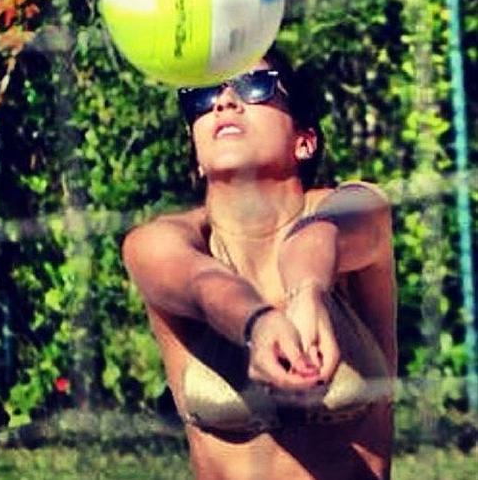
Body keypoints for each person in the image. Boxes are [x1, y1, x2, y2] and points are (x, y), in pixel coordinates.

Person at [122, 46, 397, 480]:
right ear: (196, 153)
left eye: (255, 86)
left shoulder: (355, 208)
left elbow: (318, 235)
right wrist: (259, 323)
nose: (225, 102)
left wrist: (307, 292)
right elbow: (202, 284)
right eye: (203, 96)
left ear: (304, 140)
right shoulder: (160, 242)